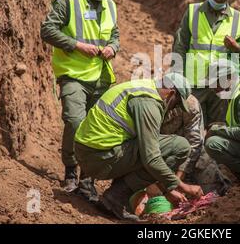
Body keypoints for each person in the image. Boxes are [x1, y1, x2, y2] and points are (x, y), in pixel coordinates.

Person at [41, 0, 121, 200]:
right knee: (76, 121)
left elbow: (115, 36)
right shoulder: (68, 0)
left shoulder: (110, 6)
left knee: (94, 129)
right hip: (73, 75)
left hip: (100, 77)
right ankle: (70, 170)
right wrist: (76, 45)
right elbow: (47, 30)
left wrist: (112, 49)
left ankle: (87, 179)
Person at [74, 73, 203, 221]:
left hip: (89, 153)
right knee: (180, 146)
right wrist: (182, 187)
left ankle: (115, 195)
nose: (173, 109)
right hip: (99, 159)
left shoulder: (143, 87)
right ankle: (116, 197)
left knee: (150, 144)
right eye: (176, 104)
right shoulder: (149, 103)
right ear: (171, 94)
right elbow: (151, 159)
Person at [173, 0, 240, 127]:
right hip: (195, 83)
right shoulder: (193, 12)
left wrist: (237, 47)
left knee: (217, 127)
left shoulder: (238, 19)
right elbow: (180, 45)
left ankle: (212, 151)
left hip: (222, 85)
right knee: (193, 127)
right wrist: (177, 75)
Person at [159, 94, 231, 195]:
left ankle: (221, 188)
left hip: (191, 155)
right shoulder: (152, 105)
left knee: (205, 162)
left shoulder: (190, 104)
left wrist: (179, 178)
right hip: (164, 158)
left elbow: (194, 142)